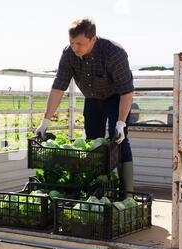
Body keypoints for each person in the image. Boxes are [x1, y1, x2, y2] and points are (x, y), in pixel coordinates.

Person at [35, 18, 134, 192]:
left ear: (93, 39)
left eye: (80, 43)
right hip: (92, 98)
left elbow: (127, 91)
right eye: (72, 43)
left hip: (116, 97)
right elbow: (58, 87)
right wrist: (45, 122)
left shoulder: (114, 53)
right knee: (92, 143)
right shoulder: (68, 54)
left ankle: (128, 194)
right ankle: (97, 189)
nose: (75, 48)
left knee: (118, 140)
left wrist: (121, 123)